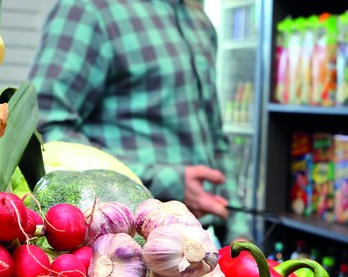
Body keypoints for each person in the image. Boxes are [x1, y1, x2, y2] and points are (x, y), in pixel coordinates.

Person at [27, 0, 252, 244]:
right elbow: (47, 124)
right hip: (124, 244)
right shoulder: (88, 9)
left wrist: (240, 234)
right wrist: (169, 183)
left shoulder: (199, 20)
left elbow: (216, 137)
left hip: (204, 240)